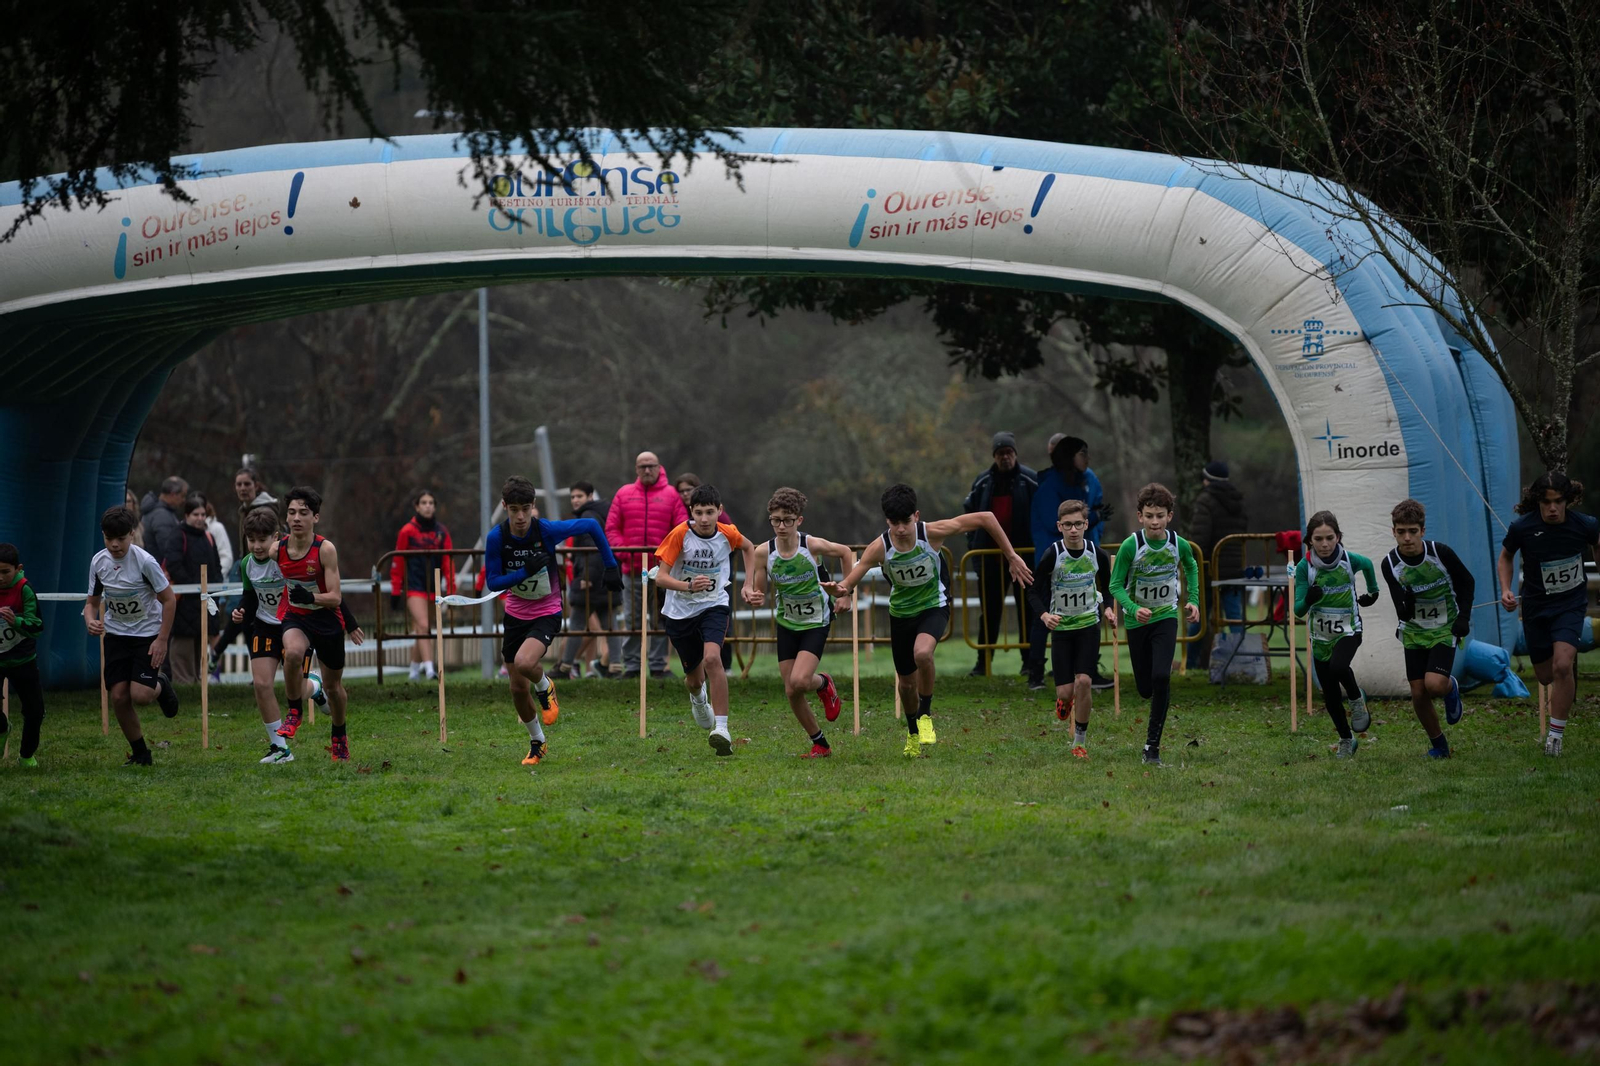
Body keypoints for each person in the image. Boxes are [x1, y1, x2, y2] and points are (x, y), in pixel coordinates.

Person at [825, 483, 1033, 759]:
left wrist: (1011, 555)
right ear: (887, 521)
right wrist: (842, 591)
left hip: (934, 605)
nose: (901, 529)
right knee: (906, 684)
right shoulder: (880, 547)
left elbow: (986, 518)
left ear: (917, 516)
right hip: (901, 614)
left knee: (922, 653)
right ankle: (912, 732)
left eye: (906, 522)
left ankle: (925, 714)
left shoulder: (931, 533)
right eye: (895, 523)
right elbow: (853, 576)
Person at [484, 475, 623, 766]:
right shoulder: (497, 537)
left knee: (525, 663)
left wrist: (611, 566)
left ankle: (546, 686)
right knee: (517, 688)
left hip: (546, 611)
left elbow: (591, 525)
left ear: (534, 506)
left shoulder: (544, 530)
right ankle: (538, 742)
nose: (520, 516)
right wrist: (524, 573)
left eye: (525, 508)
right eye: (514, 510)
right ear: (505, 507)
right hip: (515, 615)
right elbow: (494, 582)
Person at [653, 484, 760, 756]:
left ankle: (722, 729)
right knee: (693, 679)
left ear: (719, 511)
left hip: (714, 604)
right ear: (691, 512)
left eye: (709, 512)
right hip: (680, 612)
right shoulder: (680, 535)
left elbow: (750, 548)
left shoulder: (728, 533)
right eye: (699, 512)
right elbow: (660, 577)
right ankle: (699, 699)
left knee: (713, 658)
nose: (704, 519)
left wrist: (748, 584)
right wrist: (688, 586)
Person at [1498, 471, 1599, 757]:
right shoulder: (1522, 528)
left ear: (1568, 501)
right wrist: (1506, 589)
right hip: (1536, 607)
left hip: (1570, 605)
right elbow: (1506, 556)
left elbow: (1597, 543)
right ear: (1538, 502)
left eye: (1558, 502)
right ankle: (1555, 720)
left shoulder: (1586, 524)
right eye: (1546, 502)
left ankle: (1556, 735)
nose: (1552, 508)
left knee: (1563, 665)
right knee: (1544, 675)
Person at [750, 487, 854, 758]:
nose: (781, 526)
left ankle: (823, 683)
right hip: (787, 622)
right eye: (775, 520)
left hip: (815, 621)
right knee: (791, 690)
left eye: (787, 520)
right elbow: (758, 590)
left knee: (799, 680)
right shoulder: (763, 552)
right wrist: (753, 595)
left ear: (799, 520)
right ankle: (820, 743)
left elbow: (845, 552)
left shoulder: (811, 546)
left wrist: (846, 592)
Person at [1109, 483, 1202, 766]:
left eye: (1160, 515)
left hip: (1165, 618)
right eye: (1149, 515)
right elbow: (1115, 585)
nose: (1155, 521)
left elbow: (1191, 565)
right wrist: (1134, 609)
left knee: (1162, 677)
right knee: (1145, 688)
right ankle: (1151, 729)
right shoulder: (1131, 546)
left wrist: (1193, 599)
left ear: (1169, 516)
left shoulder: (1178, 544)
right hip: (1138, 624)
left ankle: (1152, 747)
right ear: (1140, 516)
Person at [83, 506, 180, 765]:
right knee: (118, 696)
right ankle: (140, 754)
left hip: (147, 635)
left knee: (141, 695)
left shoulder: (144, 562)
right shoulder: (98, 562)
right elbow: (91, 602)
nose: (114, 545)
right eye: (108, 538)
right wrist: (90, 620)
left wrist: (161, 639)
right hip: (116, 635)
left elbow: (169, 600)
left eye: (121, 539)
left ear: (132, 534)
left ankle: (160, 685)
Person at [1380, 498, 1474, 759]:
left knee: (1434, 685)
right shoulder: (1390, 563)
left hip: (1445, 627)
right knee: (1418, 692)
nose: (1407, 538)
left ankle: (1450, 687)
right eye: (1401, 532)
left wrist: (1463, 617)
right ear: (1394, 532)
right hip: (1414, 631)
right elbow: (1400, 607)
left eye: (1412, 531)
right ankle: (1439, 746)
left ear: (1422, 530)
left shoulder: (1440, 553)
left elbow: (1467, 582)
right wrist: (1406, 604)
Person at [1027, 500, 1114, 758]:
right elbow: (1032, 589)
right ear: (1059, 526)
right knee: (1065, 693)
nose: (1073, 529)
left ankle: (1080, 742)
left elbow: (1108, 587)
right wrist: (1044, 615)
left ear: (1086, 524)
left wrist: (1108, 608)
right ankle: (1064, 702)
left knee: (1084, 681)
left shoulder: (1095, 553)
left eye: (1078, 524)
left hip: (1089, 626)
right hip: (1062, 630)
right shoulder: (1052, 554)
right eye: (1068, 525)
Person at [273, 487, 355, 761]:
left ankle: (339, 735)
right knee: (293, 654)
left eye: (303, 513)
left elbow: (335, 597)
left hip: (327, 620)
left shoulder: (325, 549)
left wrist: (311, 597)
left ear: (315, 517)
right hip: (297, 617)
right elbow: (256, 561)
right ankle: (294, 711)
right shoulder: (279, 549)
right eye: (292, 513)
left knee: (334, 688)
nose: (296, 518)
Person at [1292, 510, 1382, 758]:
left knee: (1339, 667)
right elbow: (1298, 610)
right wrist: (1309, 599)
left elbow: (1368, 564)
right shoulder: (1304, 568)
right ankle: (1346, 739)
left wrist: (1372, 592)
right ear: (1309, 540)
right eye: (1318, 539)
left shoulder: (1349, 560)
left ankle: (1355, 698)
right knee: (1329, 693)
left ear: (1338, 537)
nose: (1324, 544)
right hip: (1320, 637)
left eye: (1329, 538)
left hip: (1349, 629)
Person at [1027, 436, 1110, 689]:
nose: (1087, 458)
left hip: (1082, 559)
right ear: (1069, 457)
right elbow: (1062, 527)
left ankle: (1088, 671)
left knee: (1089, 606)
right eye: (1081, 453)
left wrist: (1095, 522)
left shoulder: (1080, 482)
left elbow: (1083, 518)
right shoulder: (1050, 487)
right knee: (1046, 615)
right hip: (1053, 560)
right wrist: (1093, 519)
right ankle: (1036, 673)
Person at [605, 451, 689, 679]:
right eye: (642, 466)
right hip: (631, 569)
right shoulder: (624, 494)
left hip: (662, 570)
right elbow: (612, 529)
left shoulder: (671, 495)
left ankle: (658, 664)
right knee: (633, 618)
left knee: (661, 617)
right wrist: (625, 555)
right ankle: (632, 665)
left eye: (651, 465)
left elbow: (680, 528)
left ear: (659, 467)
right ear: (636, 469)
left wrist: (666, 558)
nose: (647, 470)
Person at [962, 431, 1038, 677]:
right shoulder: (982, 482)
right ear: (994, 456)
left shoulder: (1031, 480)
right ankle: (983, 662)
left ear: (1015, 454)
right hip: (991, 560)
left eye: (1009, 452)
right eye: (1000, 453)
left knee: (1028, 611)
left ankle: (1030, 662)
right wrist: (974, 548)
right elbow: (969, 516)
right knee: (990, 612)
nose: (1005, 457)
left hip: (1024, 559)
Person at [231, 507, 301, 764]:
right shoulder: (247, 564)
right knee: (261, 684)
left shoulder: (286, 559)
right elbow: (249, 596)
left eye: (262, 540)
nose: (257, 546)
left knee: (299, 689)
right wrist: (241, 611)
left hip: (295, 625)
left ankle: (316, 689)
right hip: (264, 625)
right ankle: (280, 748)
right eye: (251, 540)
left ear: (277, 537)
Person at [209, 467, 279, 681]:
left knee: (247, 615)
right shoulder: (244, 509)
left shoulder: (266, 508)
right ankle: (256, 670)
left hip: (268, 568)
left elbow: (279, 535)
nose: (242, 488)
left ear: (256, 485)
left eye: (247, 484)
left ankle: (219, 650)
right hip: (246, 565)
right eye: (238, 484)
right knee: (242, 614)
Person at [1187, 460, 1250, 669]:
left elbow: (1200, 538)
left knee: (1198, 618)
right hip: (1233, 569)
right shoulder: (1238, 500)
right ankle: (1244, 662)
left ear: (1207, 480)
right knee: (1234, 619)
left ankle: (1191, 664)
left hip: (1209, 568)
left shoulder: (1205, 500)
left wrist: (1194, 562)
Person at [555, 481, 619, 679]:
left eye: (579, 496)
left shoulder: (587, 516)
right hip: (607, 578)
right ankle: (615, 666)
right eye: (572, 497)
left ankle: (565, 667)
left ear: (590, 497)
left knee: (576, 625)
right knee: (610, 624)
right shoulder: (602, 512)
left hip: (590, 581)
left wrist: (586, 577)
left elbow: (592, 550)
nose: (575, 500)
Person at [390, 489, 455, 681]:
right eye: (424, 502)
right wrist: (395, 590)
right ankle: (429, 669)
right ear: (417, 506)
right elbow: (398, 562)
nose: (428, 506)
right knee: (424, 625)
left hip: (433, 586)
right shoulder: (407, 531)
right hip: (414, 587)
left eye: (431, 503)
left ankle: (413, 670)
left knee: (421, 628)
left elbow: (449, 562)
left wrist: (451, 590)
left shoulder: (442, 532)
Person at [163, 492, 222, 684]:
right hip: (184, 600)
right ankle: (182, 682)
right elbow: (174, 564)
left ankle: (196, 681)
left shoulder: (208, 537)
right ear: (186, 515)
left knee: (199, 640)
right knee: (183, 643)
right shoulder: (177, 536)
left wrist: (215, 589)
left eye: (203, 514)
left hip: (205, 599)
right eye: (196, 514)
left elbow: (216, 566)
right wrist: (192, 587)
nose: (200, 518)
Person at [0, 543, 47, 767]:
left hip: (23, 660)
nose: (0, 577)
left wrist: (15, 621)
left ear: (18, 568)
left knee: (35, 711)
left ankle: (26, 755)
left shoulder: (25, 589)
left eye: (5, 572)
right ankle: (2, 728)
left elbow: (37, 626)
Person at [139, 476, 188, 562]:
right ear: (173, 494)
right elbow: (169, 549)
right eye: (182, 495)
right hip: (159, 570)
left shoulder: (156, 511)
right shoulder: (162, 515)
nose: (184, 500)